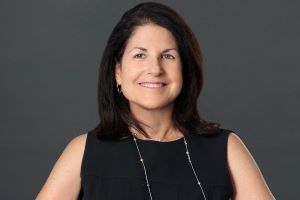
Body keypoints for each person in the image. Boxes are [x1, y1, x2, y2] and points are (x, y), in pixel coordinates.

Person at [36, 2, 276, 200]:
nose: (155, 69)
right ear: (117, 71)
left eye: (168, 56)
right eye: (140, 55)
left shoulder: (226, 148)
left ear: (185, 70)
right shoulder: (84, 151)